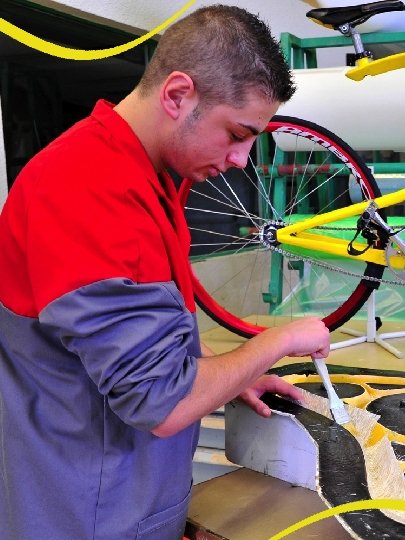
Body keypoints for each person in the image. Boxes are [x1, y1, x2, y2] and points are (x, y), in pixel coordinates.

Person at [0, 5, 330, 539]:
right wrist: (278, 341)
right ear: (178, 95)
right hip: (88, 514)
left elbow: (149, 336)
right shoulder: (90, 192)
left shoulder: (144, 177)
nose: (243, 159)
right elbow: (162, 401)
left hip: (122, 496)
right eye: (237, 133)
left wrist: (228, 376)